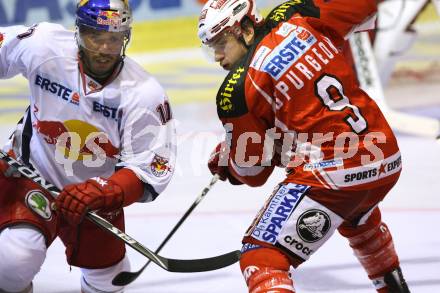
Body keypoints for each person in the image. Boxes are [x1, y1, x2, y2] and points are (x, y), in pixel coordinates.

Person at [198, 0, 410, 292]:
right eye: (211, 48)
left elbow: (253, 172)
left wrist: (230, 160)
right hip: (385, 156)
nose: (218, 56)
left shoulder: (236, 90)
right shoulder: (297, 14)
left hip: (331, 173)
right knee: (358, 217)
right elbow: (365, 6)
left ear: (245, 29)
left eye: (222, 42)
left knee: (261, 258)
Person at [0, 0, 176, 292]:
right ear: (79, 32)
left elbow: (150, 168)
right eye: (97, 36)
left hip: (94, 197)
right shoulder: (44, 46)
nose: (106, 49)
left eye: (114, 38)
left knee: (108, 284)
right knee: (12, 261)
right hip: (32, 173)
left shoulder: (145, 95)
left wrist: (104, 191)